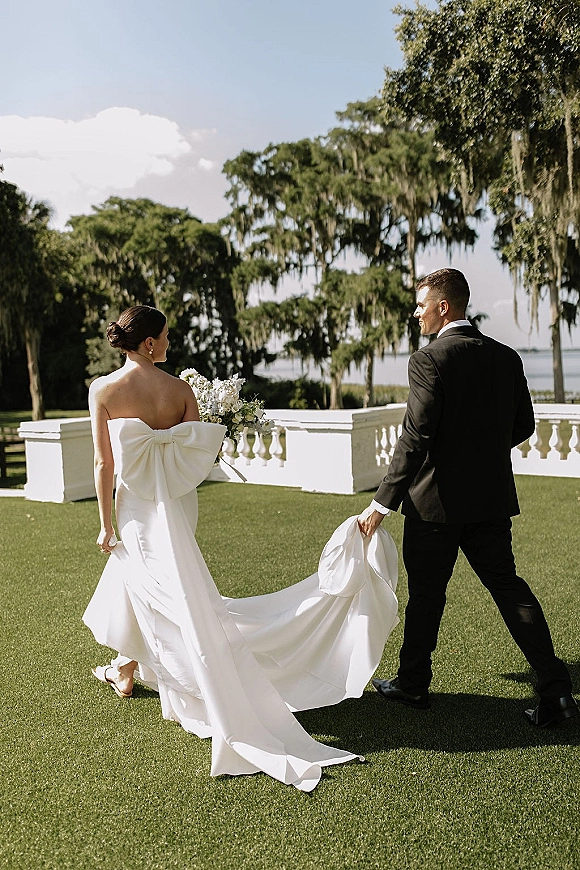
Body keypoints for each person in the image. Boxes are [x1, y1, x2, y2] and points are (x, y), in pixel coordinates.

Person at [83, 305, 399, 791]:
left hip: (136, 506)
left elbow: (105, 467)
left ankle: (155, 670)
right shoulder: (180, 391)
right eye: (164, 337)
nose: (169, 343)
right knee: (149, 585)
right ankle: (125, 667)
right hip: (176, 505)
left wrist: (106, 525)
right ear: (148, 344)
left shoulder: (103, 391)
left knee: (166, 592)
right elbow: (198, 455)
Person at [359, 268, 578, 729]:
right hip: (490, 501)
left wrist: (382, 503)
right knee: (509, 589)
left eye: (421, 304)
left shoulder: (428, 360)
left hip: (433, 505)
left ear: (444, 306)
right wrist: (481, 456)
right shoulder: (506, 356)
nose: (415, 313)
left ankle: (413, 684)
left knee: (426, 598)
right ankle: (558, 693)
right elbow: (523, 426)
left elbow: (415, 438)